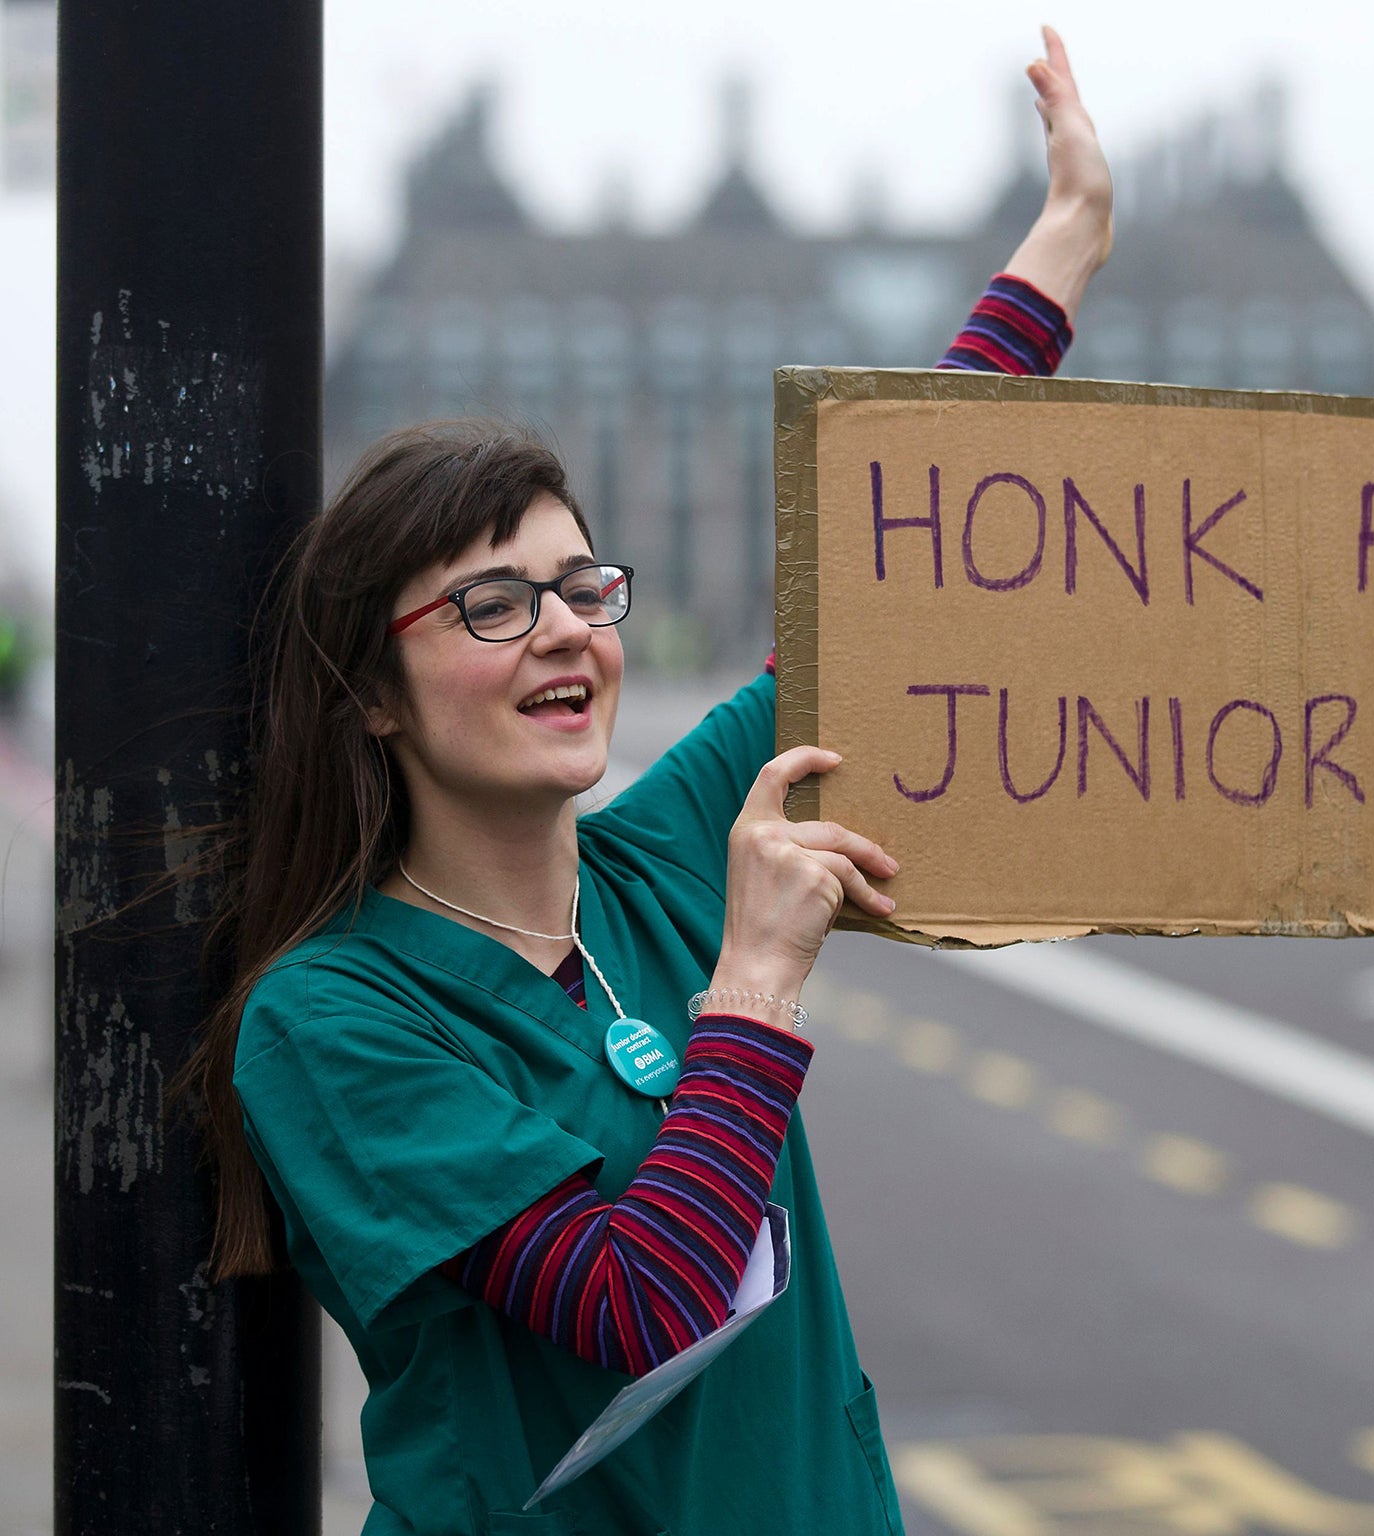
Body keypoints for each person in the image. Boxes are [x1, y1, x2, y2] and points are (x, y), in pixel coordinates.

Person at [175, 27, 1113, 1534]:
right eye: (491, 605)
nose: (563, 632)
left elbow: (888, 578)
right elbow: (638, 1303)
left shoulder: (657, 856)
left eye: (579, 587)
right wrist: (751, 980)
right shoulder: (330, 1019)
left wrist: (1063, 246)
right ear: (368, 697)